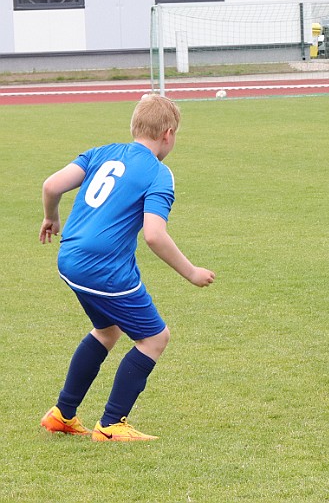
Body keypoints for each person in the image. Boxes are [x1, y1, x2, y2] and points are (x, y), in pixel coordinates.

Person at [39, 94, 215, 442]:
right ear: (168, 134)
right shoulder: (158, 174)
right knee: (154, 338)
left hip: (69, 259)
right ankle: (111, 425)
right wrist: (192, 272)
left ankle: (62, 414)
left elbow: (51, 185)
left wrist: (51, 216)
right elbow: (154, 235)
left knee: (108, 331)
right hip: (103, 268)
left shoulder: (101, 152)